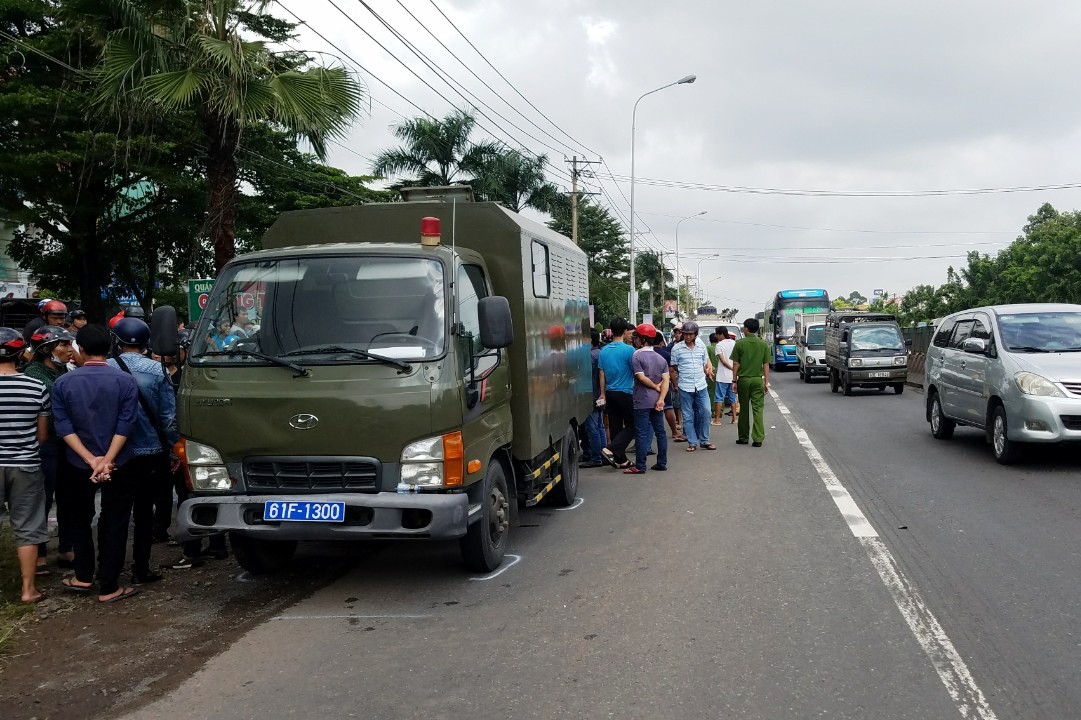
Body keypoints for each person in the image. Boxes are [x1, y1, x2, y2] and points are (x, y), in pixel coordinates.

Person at [52, 323, 142, 604]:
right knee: (114, 521)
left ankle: (82, 575)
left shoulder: (63, 383)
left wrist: (90, 460)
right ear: (109, 349)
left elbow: (63, 426)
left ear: (80, 348)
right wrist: (108, 460)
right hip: (120, 462)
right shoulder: (125, 381)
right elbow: (126, 424)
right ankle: (110, 585)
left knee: (79, 520)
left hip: (77, 464)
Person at [107, 317, 180, 583]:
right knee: (144, 513)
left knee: (114, 512)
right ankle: (141, 567)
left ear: (117, 342)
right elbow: (169, 418)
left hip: (115, 454)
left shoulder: (105, 369)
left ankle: (109, 570)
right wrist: (174, 450)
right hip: (152, 452)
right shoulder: (158, 371)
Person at [0, 327, 50, 603]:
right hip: (26, 464)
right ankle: (28, 590)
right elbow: (42, 435)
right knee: (27, 527)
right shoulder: (36, 386)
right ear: (20, 353)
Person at [23, 325, 75, 572]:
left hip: (66, 443)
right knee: (42, 498)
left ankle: (66, 548)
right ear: (47, 350)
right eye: (63, 345)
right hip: (46, 445)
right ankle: (40, 552)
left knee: (68, 498)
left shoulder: (62, 370)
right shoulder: (35, 375)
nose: (69, 349)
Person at [627, 324, 669, 474]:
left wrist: (654, 387)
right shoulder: (660, 358)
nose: (635, 340)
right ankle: (662, 462)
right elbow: (666, 380)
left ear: (643, 339)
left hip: (641, 401)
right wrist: (661, 397)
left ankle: (640, 465)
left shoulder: (637, 356)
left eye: (637, 337)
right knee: (660, 432)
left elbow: (640, 377)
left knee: (641, 433)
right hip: (657, 401)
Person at [669, 320, 716, 451]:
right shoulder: (676, 349)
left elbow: (706, 361)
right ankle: (692, 442)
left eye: (691, 334)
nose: (688, 336)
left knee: (706, 412)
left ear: (695, 334)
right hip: (685, 386)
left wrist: (708, 369)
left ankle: (705, 440)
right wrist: (682, 375)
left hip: (701, 385)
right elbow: (673, 366)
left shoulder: (701, 346)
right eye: (685, 334)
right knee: (687, 415)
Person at [597, 318, 636, 469]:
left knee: (615, 427)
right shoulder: (629, 350)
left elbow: (602, 374)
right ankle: (610, 449)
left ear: (611, 331)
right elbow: (635, 372)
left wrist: (603, 394)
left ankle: (621, 460)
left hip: (609, 393)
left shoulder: (604, 351)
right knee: (632, 426)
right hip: (625, 392)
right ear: (625, 331)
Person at [730, 317, 771, 447]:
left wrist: (734, 380)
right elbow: (766, 365)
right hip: (758, 380)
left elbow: (735, 363)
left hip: (744, 380)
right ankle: (758, 438)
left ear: (746, 329)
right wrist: (766, 383)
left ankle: (743, 437)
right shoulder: (763, 344)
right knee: (758, 409)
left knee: (744, 410)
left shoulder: (740, 344)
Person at [579, 330, 606, 469]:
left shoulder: (589, 356)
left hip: (591, 395)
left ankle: (595, 458)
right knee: (600, 426)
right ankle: (603, 454)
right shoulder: (601, 353)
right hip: (600, 395)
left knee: (592, 428)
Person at [652, 333, 680, 439]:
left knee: (650, 410)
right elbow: (671, 371)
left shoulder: (643, 353)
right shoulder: (666, 354)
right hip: (664, 384)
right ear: (661, 342)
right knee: (668, 407)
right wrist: (675, 384)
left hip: (649, 385)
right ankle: (674, 432)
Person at [666, 323, 687, 442]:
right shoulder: (671, 347)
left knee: (682, 403)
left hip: (684, 376)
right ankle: (678, 422)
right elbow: (670, 365)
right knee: (675, 400)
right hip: (673, 375)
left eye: (680, 332)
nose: (678, 334)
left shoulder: (690, 345)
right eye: (676, 332)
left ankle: (681, 422)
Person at [714, 329, 738, 425]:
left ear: (721, 334)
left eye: (717, 334)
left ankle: (717, 420)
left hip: (722, 376)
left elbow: (723, 361)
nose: (716, 336)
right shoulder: (734, 343)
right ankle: (734, 419)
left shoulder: (719, 345)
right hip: (733, 377)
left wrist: (731, 368)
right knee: (733, 398)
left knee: (719, 398)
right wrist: (734, 370)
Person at [706, 332, 719, 422]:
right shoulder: (720, 347)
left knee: (710, 392)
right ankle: (719, 411)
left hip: (711, 372)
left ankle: (711, 409)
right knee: (720, 393)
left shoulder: (708, 348)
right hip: (721, 373)